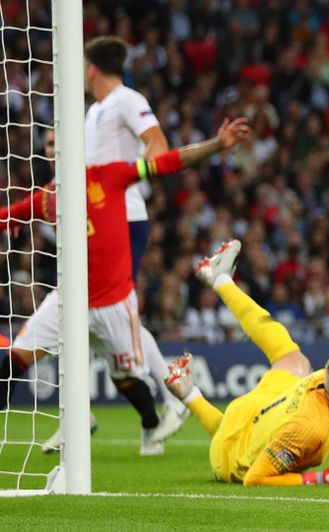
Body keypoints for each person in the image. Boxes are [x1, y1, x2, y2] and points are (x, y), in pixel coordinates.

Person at [0, 118, 250, 455]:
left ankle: (151, 425)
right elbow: (9, 214)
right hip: (67, 299)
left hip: (112, 304)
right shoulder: (48, 199)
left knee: (126, 381)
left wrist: (217, 145)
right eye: (47, 144)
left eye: (59, 141)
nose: (53, 149)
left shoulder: (110, 176)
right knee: (15, 358)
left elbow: (168, 162)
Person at [164, 240, 329, 486]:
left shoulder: (327, 379)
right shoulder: (308, 429)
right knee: (230, 440)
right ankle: (190, 395)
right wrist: (322, 478)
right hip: (230, 456)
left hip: (262, 407)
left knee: (292, 358)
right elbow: (254, 478)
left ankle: (221, 281)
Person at [83, 35, 186, 440]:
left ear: (91, 67)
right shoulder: (95, 110)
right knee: (94, 311)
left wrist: (124, 183)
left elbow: (157, 145)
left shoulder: (127, 99)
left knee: (117, 309)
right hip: (99, 221)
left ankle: (176, 395)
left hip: (124, 218)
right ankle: (86, 413)